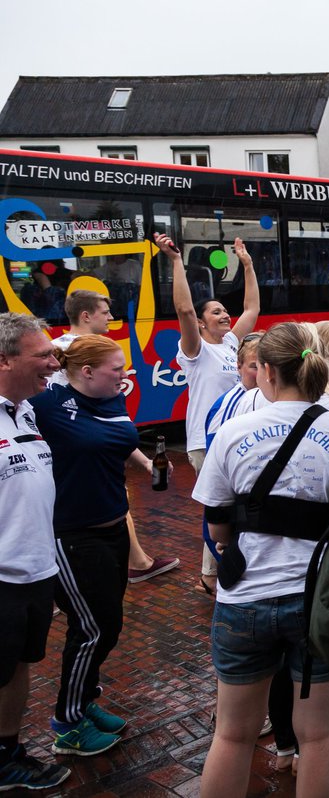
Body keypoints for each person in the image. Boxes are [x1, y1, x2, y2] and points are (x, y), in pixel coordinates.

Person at [192, 322, 329, 798]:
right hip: (323, 598)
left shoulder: (233, 431)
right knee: (320, 736)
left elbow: (217, 524)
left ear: (264, 371)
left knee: (232, 734)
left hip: (244, 598)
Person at [31, 336, 153, 757]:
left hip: (115, 528)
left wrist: (149, 465)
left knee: (109, 623)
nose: (125, 375)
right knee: (92, 628)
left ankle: (83, 702)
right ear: (86, 372)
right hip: (71, 534)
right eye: (117, 368)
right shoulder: (47, 405)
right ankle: (67, 723)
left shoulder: (110, 398)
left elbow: (118, 441)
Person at [155, 233, 260, 596]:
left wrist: (246, 265)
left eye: (222, 309)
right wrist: (175, 263)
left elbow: (251, 310)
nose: (224, 314)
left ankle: (212, 573)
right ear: (200, 323)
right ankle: (212, 575)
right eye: (215, 311)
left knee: (230, 505)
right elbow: (184, 310)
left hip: (237, 438)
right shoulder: (195, 350)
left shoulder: (232, 342)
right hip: (206, 441)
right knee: (221, 505)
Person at [53, 289, 180, 584]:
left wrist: (145, 461)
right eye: (105, 312)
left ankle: (137, 560)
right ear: (85, 316)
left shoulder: (59, 350)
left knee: (115, 501)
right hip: (85, 462)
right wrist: (143, 461)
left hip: (85, 458)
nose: (112, 317)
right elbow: (108, 425)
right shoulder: (88, 357)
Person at [0, 314, 70, 791]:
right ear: (4, 360)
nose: (54, 362)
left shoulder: (25, 408)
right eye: (42, 356)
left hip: (36, 568)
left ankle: (8, 752)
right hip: (2, 576)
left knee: (19, 666)